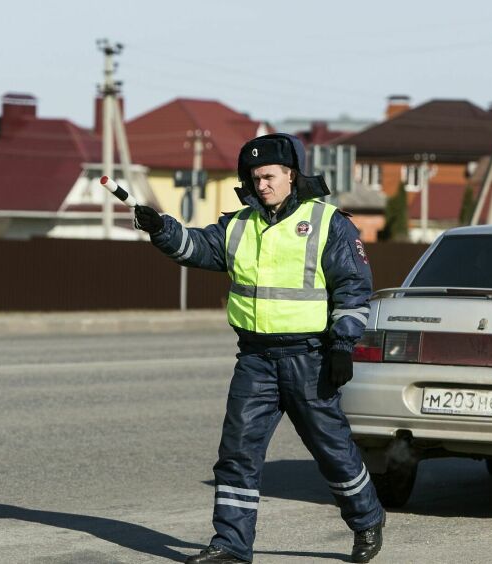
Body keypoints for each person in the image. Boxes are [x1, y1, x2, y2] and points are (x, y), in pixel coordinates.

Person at [134, 133, 385, 564]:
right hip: (254, 359)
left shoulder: (328, 223)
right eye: (255, 177)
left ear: (291, 175)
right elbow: (195, 247)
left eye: (269, 176)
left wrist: (343, 346)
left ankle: (367, 520)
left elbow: (353, 289)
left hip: (311, 358)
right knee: (237, 453)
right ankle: (231, 545)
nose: (261, 184)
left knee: (332, 451)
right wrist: (161, 228)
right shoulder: (238, 225)